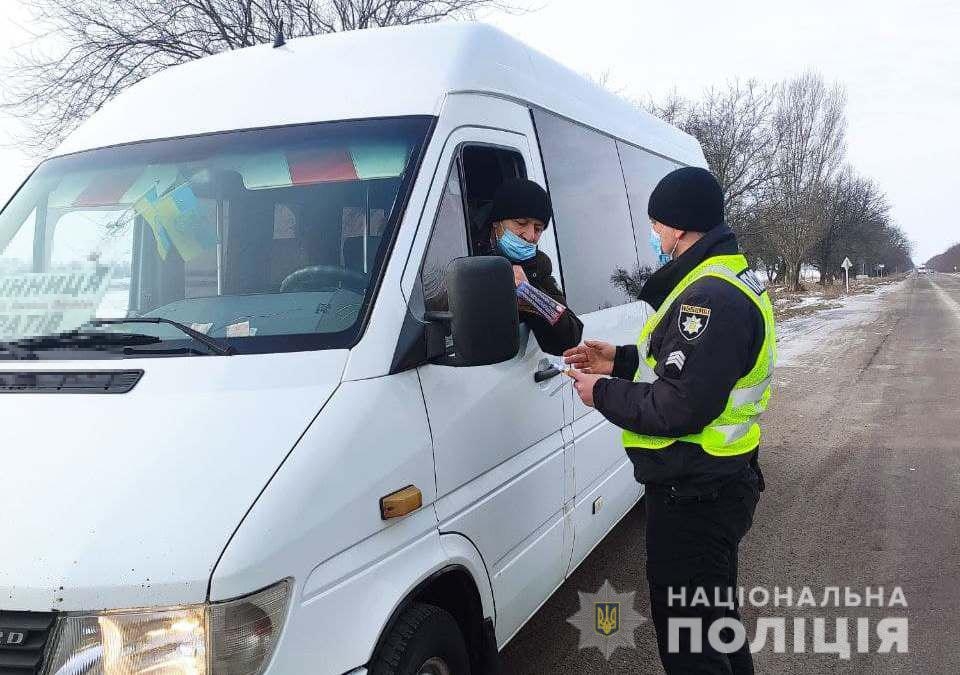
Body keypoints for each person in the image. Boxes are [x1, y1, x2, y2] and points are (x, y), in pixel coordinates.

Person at [563, 167, 775, 675]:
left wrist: (603, 392)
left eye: (658, 225)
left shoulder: (708, 297)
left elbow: (680, 406)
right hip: (717, 482)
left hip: (696, 494)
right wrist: (616, 360)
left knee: (689, 643)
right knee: (714, 621)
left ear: (679, 227)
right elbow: (685, 365)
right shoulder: (724, 277)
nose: (655, 236)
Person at [476, 178, 583, 355]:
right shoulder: (462, 246)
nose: (530, 235)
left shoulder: (538, 266)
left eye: (538, 228)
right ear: (496, 222)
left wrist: (531, 297)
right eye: (521, 223)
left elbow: (570, 338)